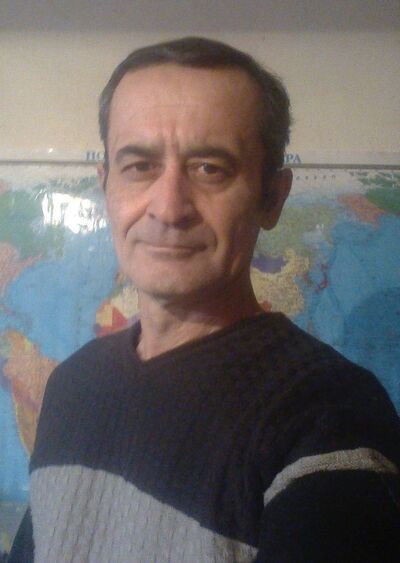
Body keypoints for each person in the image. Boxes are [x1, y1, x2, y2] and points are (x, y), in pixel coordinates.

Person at [10, 36, 400, 562]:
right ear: (107, 188)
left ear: (271, 198)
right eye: (139, 165)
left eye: (210, 168)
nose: (169, 209)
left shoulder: (329, 421)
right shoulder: (71, 387)